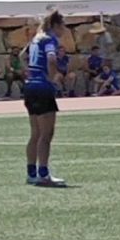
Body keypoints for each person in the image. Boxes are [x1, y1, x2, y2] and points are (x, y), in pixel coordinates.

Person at [23, 10, 67, 187]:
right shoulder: (49, 39)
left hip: (30, 87)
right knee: (46, 134)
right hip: (42, 88)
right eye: (63, 25)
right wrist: (53, 77)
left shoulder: (36, 38)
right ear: (56, 25)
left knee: (35, 134)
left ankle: (31, 173)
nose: (65, 29)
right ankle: (44, 174)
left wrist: (29, 73)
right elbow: (51, 59)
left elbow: (22, 56)